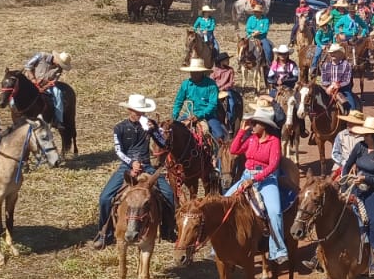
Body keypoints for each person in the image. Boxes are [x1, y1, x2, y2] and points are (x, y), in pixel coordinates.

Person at [91, 94, 176, 248]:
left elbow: (163, 144)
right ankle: (105, 233)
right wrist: (132, 163)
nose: (139, 114)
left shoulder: (151, 125)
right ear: (129, 110)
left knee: (169, 194)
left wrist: (153, 132)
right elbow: (118, 151)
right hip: (126, 165)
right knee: (105, 198)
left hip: (147, 166)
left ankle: (167, 230)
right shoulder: (120, 128)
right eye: (136, 111)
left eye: (142, 111)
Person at [229, 107, 289, 262]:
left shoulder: (274, 141)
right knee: (225, 200)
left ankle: (278, 250)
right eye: (252, 122)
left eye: (255, 123)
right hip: (247, 176)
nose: (252, 125)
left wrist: (255, 179)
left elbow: (273, 165)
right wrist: (241, 132)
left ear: (264, 125)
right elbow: (234, 150)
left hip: (267, 180)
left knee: (275, 211)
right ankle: (221, 248)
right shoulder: (251, 139)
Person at [339, 115, 374, 274]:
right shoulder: (359, 147)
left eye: (367, 134)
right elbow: (347, 165)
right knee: (337, 212)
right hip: (356, 188)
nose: (364, 136)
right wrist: (345, 184)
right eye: (364, 134)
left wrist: (367, 179)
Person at [172, 58, 226, 139]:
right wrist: (174, 117)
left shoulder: (211, 85)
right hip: (188, 115)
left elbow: (213, 104)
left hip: (208, 116)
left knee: (219, 135)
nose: (193, 74)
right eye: (192, 72)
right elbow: (178, 101)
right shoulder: (186, 84)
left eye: (196, 72)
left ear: (202, 72)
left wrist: (198, 116)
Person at [24, 50, 72, 123]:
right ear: (56, 58)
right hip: (30, 81)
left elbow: (54, 79)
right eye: (60, 63)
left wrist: (45, 86)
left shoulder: (59, 67)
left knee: (57, 93)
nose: (60, 66)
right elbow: (28, 66)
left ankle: (58, 119)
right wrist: (33, 79)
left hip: (45, 85)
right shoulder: (41, 56)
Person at [319, 43, 357, 111]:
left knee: (352, 107)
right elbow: (323, 80)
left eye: (335, 52)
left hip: (343, 90)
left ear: (340, 53)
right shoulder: (325, 65)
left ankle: (352, 116)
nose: (332, 54)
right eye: (331, 53)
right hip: (328, 90)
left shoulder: (346, 65)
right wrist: (330, 85)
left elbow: (346, 80)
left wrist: (337, 85)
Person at [211, 51, 241, 132]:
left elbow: (231, 83)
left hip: (227, 90)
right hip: (216, 90)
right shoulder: (214, 70)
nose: (228, 61)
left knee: (232, 103)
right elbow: (211, 81)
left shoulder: (230, 70)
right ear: (221, 61)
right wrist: (215, 88)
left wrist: (223, 88)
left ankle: (230, 121)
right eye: (226, 60)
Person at [330, 108, 367, 173]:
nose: (347, 124)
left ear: (358, 124)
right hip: (342, 164)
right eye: (348, 122)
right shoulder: (341, 135)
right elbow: (335, 153)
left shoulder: (366, 137)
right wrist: (346, 163)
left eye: (351, 123)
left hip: (361, 167)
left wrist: (357, 164)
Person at [244, 3, 275, 70]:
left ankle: (268, 64)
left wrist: (258, 33)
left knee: (268, 49)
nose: (255, 13)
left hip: (262, 38)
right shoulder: (251, 18)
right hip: (250, 36)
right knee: (242, 47)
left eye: (257, 12)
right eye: (255, 12)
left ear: (260, 12)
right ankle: (241, 63)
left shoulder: (265, 20)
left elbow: (265, 30)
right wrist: (253, 32)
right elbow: (247, 28)